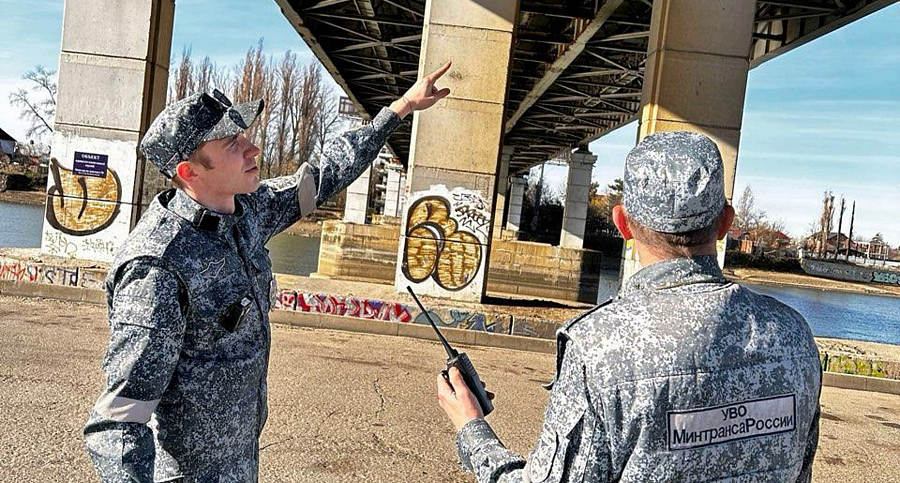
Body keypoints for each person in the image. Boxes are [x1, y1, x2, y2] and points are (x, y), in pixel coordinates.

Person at [83, 62, 452, 482]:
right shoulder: (158, 266)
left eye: (244, 136)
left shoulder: (248, 212)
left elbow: (326, 173)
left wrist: (400, 109)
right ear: (189, 172)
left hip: (242, 464)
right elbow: (119, 421)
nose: (252, 149)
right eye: (231, 143)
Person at [438, 131, 822, 482]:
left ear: (622, 224)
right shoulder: (794, 335)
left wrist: (472, 430)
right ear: (725, 223)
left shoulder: (600, 347)